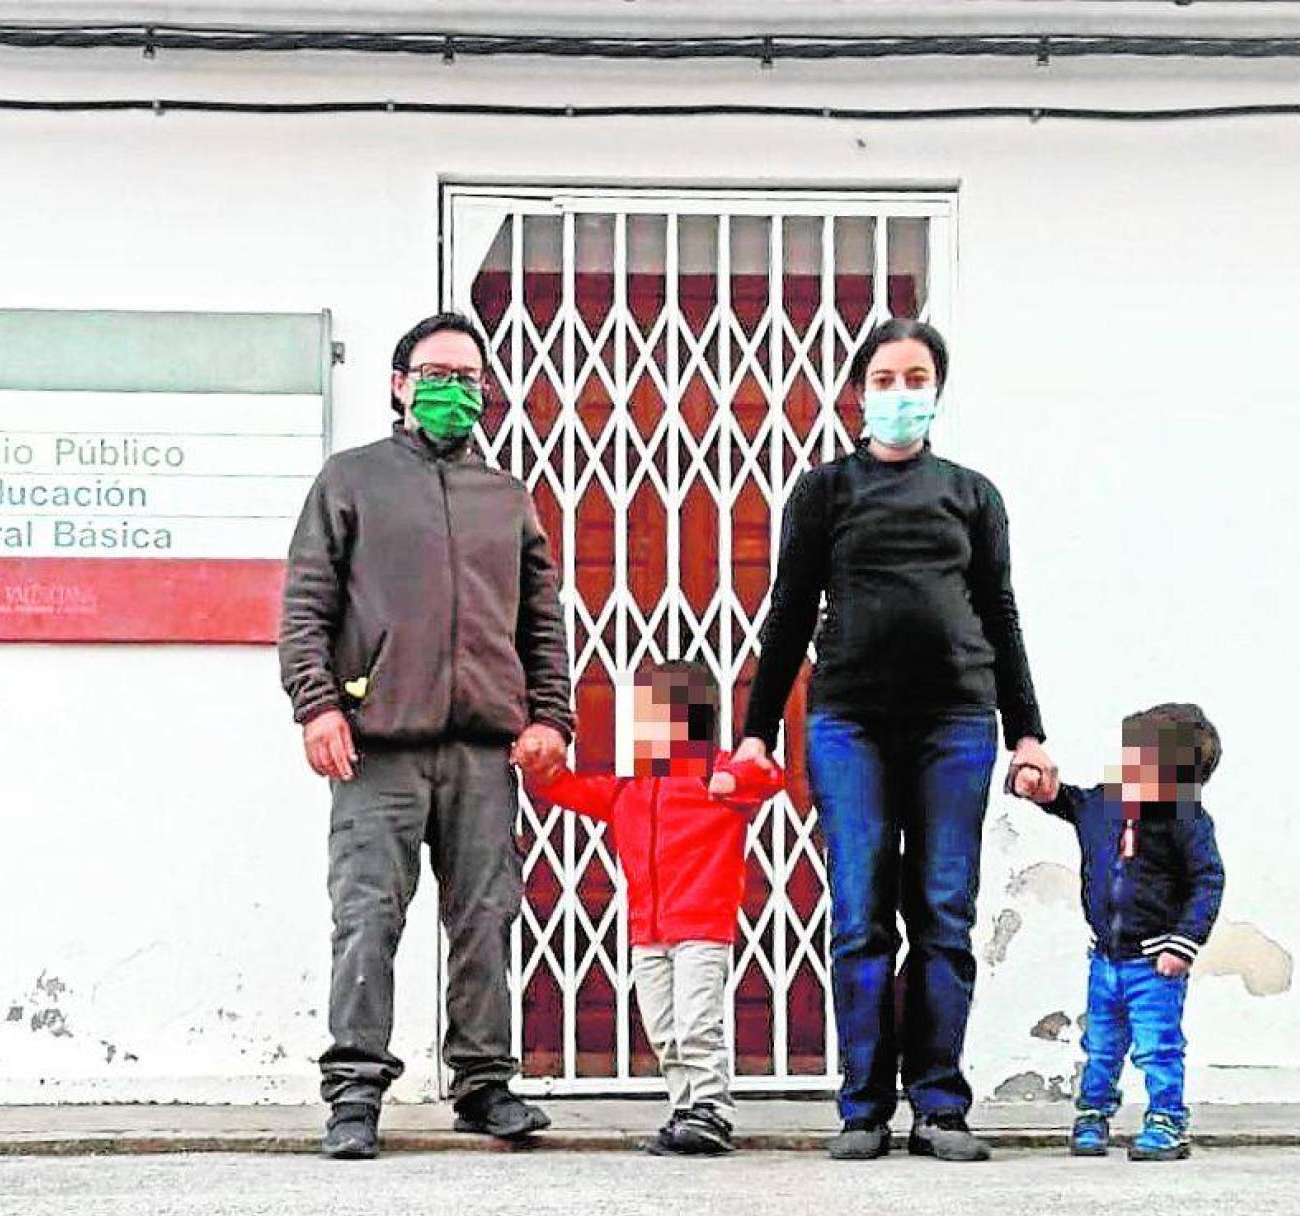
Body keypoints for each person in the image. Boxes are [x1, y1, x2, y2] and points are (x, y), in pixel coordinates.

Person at [733, 317, 1055, 1162]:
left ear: (937, 391)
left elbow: (1001, 611)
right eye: (885, 379)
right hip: (849, 725)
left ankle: (940, 1105)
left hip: (956, 723)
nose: (901, 394)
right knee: (862, 915)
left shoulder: (972, 495)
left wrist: (1028, 732)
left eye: (916, 379)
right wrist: (756, 733)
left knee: (945, 914)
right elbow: (791, 611)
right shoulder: (825, 493)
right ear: (859, 392)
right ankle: (865, 1107)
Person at [279, 312, 575, 1161]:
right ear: (402, 384)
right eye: (436, 373)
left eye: (469, 376)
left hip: (485, 750)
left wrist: (551, 715)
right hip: (378, 748)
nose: (454, 389)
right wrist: (317, 705)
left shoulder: (506, 497)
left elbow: (541, 623)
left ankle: (484, 1085)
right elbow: (306, 606)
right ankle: (355, 1094)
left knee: (487, 916)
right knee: (366, 917)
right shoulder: (351, 480)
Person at [525, 660, 784, 1157]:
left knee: (696, 1024)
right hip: (648, 929)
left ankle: (712, 1109)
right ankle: (685, 1108)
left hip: (702, 927)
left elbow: (765, 774)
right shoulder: (630, 789)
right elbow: (569, 790)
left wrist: (732, 777)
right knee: (664, 1028)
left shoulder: (716, 781)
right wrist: (540, 770)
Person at [1009, 702, 1226, 1162]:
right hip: (1105, 960)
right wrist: (1038, 788)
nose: (1125, 766)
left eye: (1138, 760)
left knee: (1157, 1047)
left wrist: (1184, 944)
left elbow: (1208, 881)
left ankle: (1167, 1121)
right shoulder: (1107, 803)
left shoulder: (1186, 821)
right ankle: (1092, 1115)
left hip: (1155, 964)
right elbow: (1067, 802)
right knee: (1101, 1047)